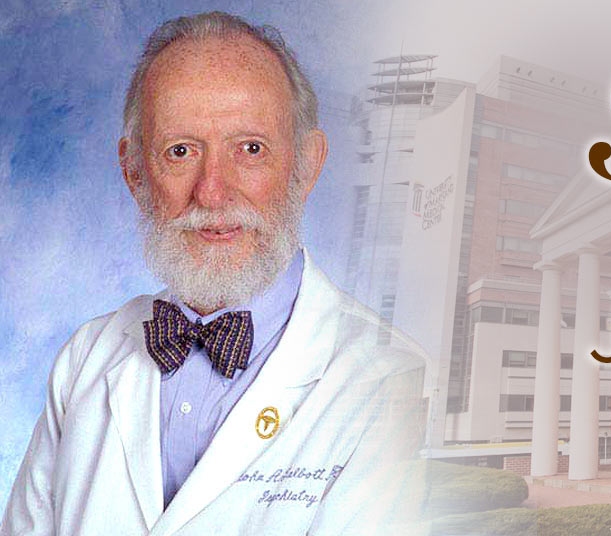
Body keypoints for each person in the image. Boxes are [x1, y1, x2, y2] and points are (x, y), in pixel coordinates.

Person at [2, 11, 428, 535]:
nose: (212, 192)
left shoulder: (387, 382)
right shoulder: (85, 360)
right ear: (134, 171)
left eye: (250, 149)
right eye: (180, 151)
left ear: (306, 165)